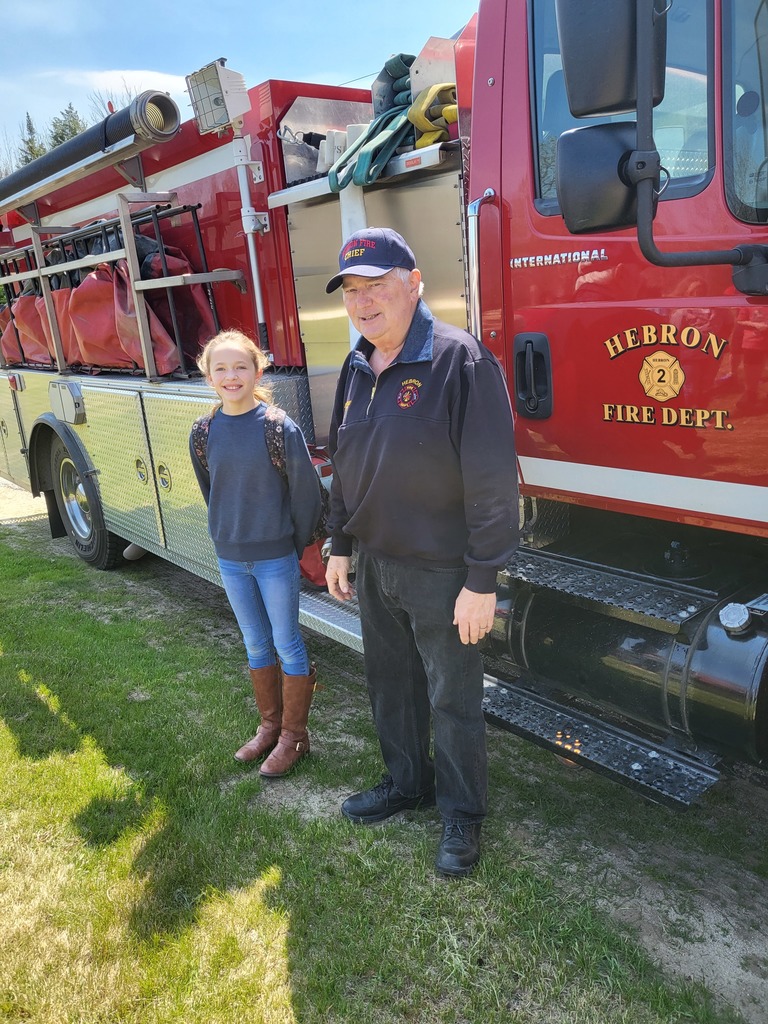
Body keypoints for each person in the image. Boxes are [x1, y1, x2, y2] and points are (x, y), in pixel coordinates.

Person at [324, 227, 518, 877]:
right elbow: (346, 465)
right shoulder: (355, 366)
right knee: (392, 688)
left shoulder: (458, 360)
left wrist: (482, 579)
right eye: (352, 290)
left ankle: (462, 815)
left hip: (442, 572)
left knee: (452, 699)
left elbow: (492, 478)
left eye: (377, 286)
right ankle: (408, 785)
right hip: (377, 563)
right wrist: (341, 544)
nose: (362, 301)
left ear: (414, 285)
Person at [190, 329, 322, 777]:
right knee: (254, 642)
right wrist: (229, 533)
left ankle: (294, 736)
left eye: (240, 366)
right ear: (208, 376)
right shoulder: (204, 432)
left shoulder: (278, 427)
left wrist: (289, 542)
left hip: (274, 559)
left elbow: (307, 497)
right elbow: (212, 491)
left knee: (287, 642)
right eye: (221, 368)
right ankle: (269, 727)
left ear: (258, 371)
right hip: (231, 557)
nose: (231, 376)